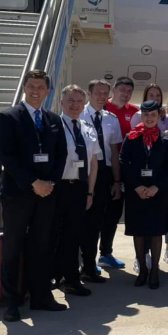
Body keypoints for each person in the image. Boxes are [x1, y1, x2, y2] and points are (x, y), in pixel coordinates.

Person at [0, 70, 69, 322]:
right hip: (18, 193)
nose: (36, 90)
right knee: (12, 247)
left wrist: (50, 183)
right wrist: (33, 182)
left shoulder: (54, 120)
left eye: (41, 87)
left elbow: (61, 156)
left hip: (46, 193)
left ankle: (41, 297)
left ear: (47, 91)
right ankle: (11, 301)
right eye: (31, 86)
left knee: (41, 246)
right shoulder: (8, 117)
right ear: (25, 87)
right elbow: (7, 156)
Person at [120, 100, 168, 289]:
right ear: (141, 116)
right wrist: (136, 186)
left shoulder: (166, 139)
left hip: (157, 192)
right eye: (146, 115)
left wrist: (156, 187)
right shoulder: (131, 137)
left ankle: (154, 271)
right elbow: (123, 163)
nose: (149, 118)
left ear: (159, 116)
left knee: (155, 232)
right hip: (137, 192)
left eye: (153, 115)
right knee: (139, 232)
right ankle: (142, 268)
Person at [52, 85, 101, 297]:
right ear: (62, 102)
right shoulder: (54, 126)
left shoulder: (88, 128)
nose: (75, 105)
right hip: (57, 187)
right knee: (53, 235)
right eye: (71, 101)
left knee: (73, 235)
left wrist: (90, 192)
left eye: (79, 102)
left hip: (79, 188)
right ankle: (54, 276)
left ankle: (71, 279)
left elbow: (93, 162)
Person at [80, 79, 124, 281]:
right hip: (86, 172)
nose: (101, 96)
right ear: (89, 94)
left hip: (105, 172)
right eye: (97, 92)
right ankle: (86, 263)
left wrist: (116, 181)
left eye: (105, 93)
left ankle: (103, 255)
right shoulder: (79, 114)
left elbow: (114, 152)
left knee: (107, 216)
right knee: (90, 221)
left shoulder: (111, 119)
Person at [102, 76, 138, 270]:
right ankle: (86, 254)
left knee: (114, 213)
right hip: (102, 167)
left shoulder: (134, 112)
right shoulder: (102, 108)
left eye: (129, 91)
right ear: (114, 90)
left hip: (123, 169)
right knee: (96, 213)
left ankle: (105, 252)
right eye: (122, 89)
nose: (125, 94)